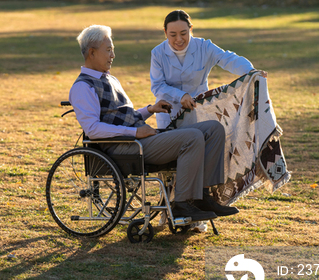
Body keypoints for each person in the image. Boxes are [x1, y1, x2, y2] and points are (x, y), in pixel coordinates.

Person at [69, 25, 239, 221]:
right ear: (92, 52)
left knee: (213, 129)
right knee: (192, 137)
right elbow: (92, 129)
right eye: (108, 49)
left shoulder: (110, 79)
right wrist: (135, 133)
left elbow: (124, 115)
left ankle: (203, 196)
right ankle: (181, 204)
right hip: (123, 147)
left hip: (137, 139)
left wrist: (150, 110)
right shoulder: (83, 87)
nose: (113, 54)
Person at [150, 9, 267, 129]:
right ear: (165, 32)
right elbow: (157, 86)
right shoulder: (158, 53)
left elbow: (228, 59)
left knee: (199, 144)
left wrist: (250, 71)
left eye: (184, 33)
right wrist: (181, 96)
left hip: (198, 108)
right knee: (171, 146)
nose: (179, 39)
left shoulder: (204, 47)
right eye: (173, 35)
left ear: (191, 29)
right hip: (168, 111)